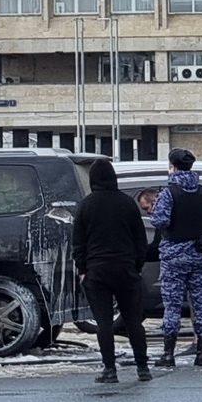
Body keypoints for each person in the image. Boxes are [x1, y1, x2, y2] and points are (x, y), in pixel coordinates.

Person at [73, 160, 151, 384]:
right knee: (133, 321)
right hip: (126, 269)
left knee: (104, 323)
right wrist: (136, 266)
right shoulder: (127, 204)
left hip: (97, 271)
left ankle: (110, 369)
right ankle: (143, 367)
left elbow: (78, 242)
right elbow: (140, 241)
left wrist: (82, 269)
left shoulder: (86, 205)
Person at [149, 149, 202, 368]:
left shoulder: (169, 193)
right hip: (198, 253)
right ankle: (201, 353)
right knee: (200, 303)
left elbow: (160, 220)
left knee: (172, 305)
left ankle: (168, 354)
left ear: (172, 166)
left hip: (173, 255)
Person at [142, 189, 202, 360]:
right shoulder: (166, 220)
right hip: (197, 253)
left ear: (156, 201)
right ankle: (197, 342)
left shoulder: (174, 210)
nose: (148, 213)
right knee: (196, 296)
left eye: (147, 207)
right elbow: (157, 247)